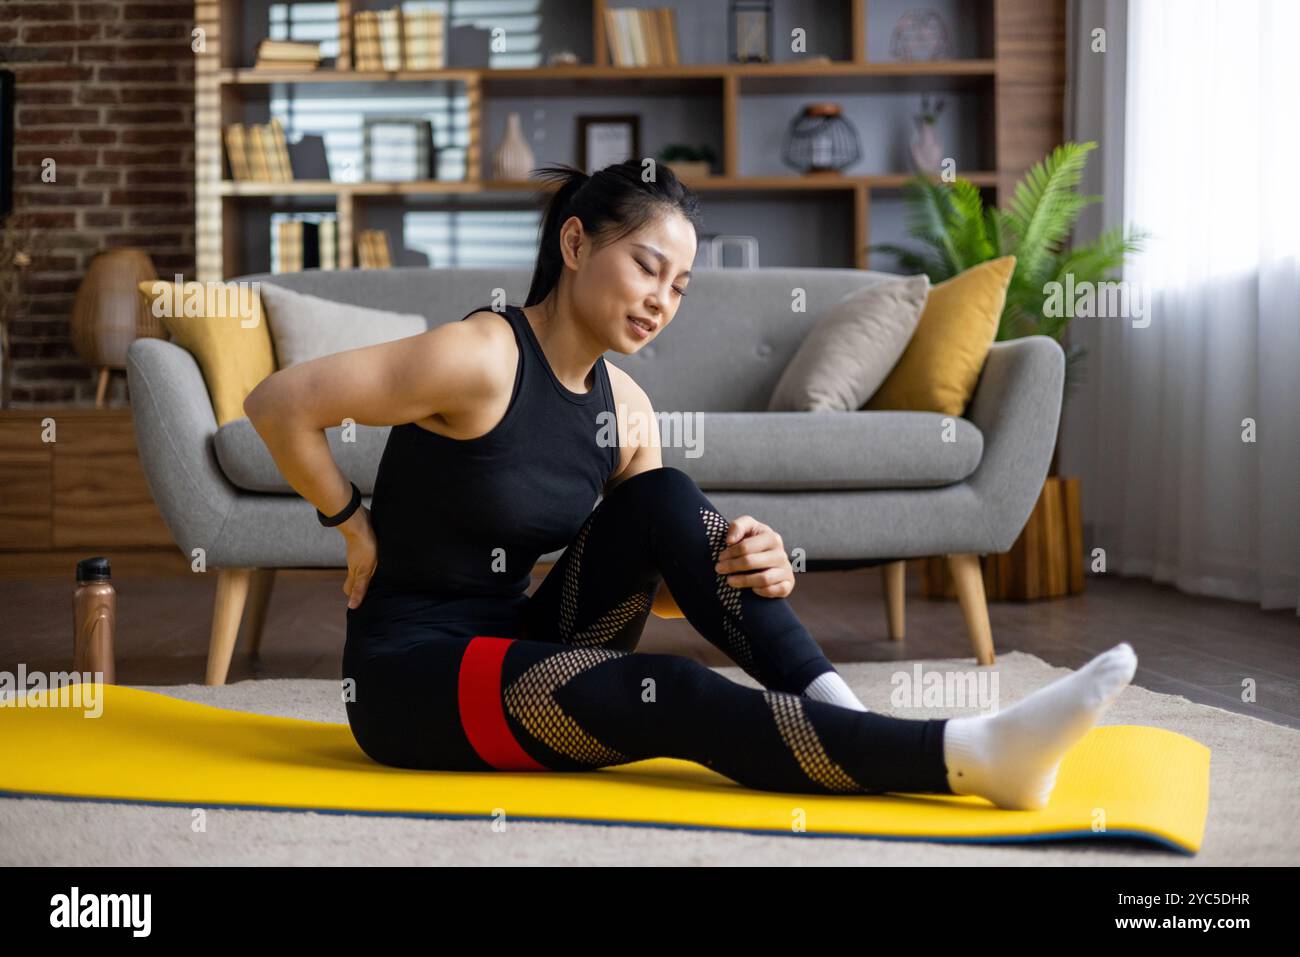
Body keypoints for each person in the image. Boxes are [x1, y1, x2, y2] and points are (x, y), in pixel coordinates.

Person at [244, 159, 1138, 809]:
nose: (662, 299)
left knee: (670, 498)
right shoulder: (478, 355)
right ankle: (966, 756)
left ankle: (840, 711)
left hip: (523, 637)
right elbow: (279, 401)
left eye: (680, 286)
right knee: (673, 697)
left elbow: (666, 592)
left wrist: (747, 565)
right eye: (645, 266)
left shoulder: (626, 405)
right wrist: (352, 524)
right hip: (415, 677)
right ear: (575, 242)